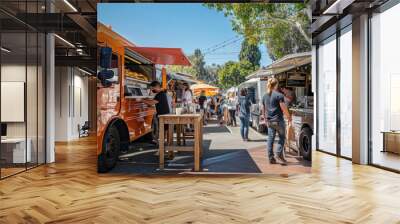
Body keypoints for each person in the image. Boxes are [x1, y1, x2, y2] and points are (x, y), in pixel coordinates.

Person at [261, 78, 292, 164]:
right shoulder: (279, 95)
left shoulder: (264, 96)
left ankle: (271, 158)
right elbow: (283, 107)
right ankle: (278, 153)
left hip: (270, 122)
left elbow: (263, 109)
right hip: (279, 120)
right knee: (282, 137)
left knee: (270, 139)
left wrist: (265, 120)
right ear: (276, 85)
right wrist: (289, 117)